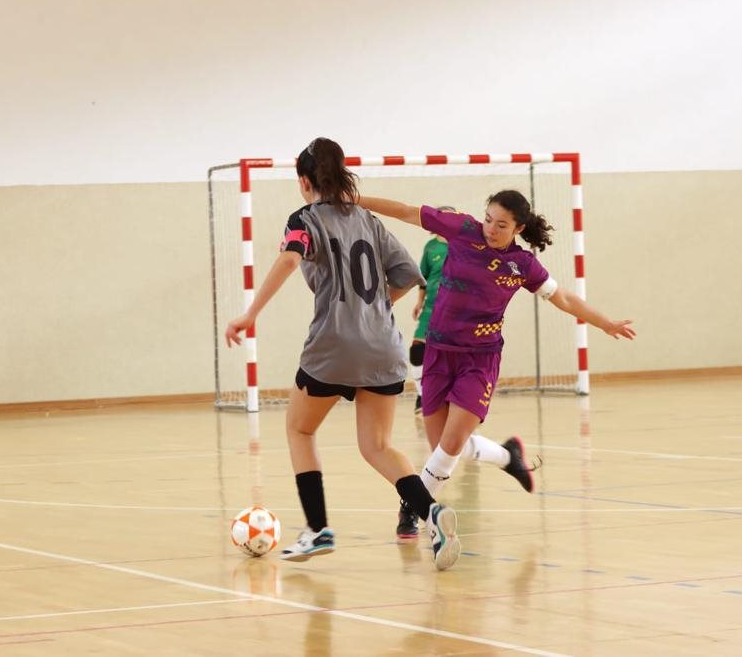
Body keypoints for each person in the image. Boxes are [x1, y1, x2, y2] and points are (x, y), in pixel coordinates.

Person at [225, 137, 461, 570]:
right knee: (377, 446)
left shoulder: (304, 218)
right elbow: (409, 273)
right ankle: (431, 512)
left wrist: (249, 314)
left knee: (299, 430)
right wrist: (374, 307)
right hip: (384, 345)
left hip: (334, 345)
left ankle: (317, 530)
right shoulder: (368, 219)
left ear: (303, 181)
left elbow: (290, 259)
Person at [357, 191, 636, 538]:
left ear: (517, 228)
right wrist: (355, 198)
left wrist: (605, 323)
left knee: (451, 444)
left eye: (501, 225)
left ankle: (416, 509)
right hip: (439, 352)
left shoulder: (523, 265)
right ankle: (507, 456)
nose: (491, 228)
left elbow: (563, 297)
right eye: (488, 219)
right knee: (442, 446)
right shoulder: (462, 229)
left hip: (479, 358)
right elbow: (406, 211)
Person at [409, 207, 454, 415]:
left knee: (450, 354)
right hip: (431, 307)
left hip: (455, 311)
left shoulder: (461, 244)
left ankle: (451, 396)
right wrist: (419, 303)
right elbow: (423, 279)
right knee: (417, 351)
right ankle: (422, 396)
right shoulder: (431, 247)